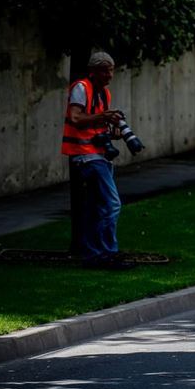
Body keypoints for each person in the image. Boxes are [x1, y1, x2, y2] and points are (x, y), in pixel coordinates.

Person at [61, 51, 134, 270]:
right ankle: (108, 252)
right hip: (86, 155)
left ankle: (94, 254)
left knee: (97, 207)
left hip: (96, 154)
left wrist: (112, 133)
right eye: (104, 70)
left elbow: (94, 126)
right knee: (112, 204)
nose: (109, 75)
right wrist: (104, 117)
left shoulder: (104, 93)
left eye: (111, 70)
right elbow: (75, 118)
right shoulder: (81, 88)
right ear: (93, 72)